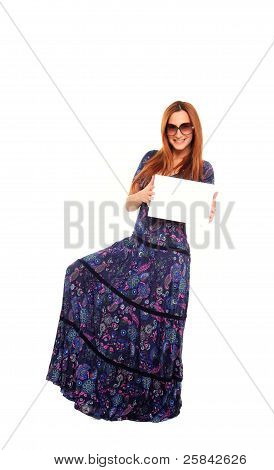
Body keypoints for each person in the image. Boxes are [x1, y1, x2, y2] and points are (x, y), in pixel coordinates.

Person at [45, 100, 216, 423]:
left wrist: (206, 212)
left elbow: (196, 216)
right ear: (166, 129)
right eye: (172, 126)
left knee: (155, 329)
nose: (179, 133)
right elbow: (128, 203)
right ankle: (98, 382)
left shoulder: (203, 169)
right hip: (138, 248)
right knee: (77, 273)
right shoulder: (151, 159)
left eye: (185, 126)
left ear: (194, 129)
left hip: (171, 263)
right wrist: (141, 196)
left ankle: (149, 402)